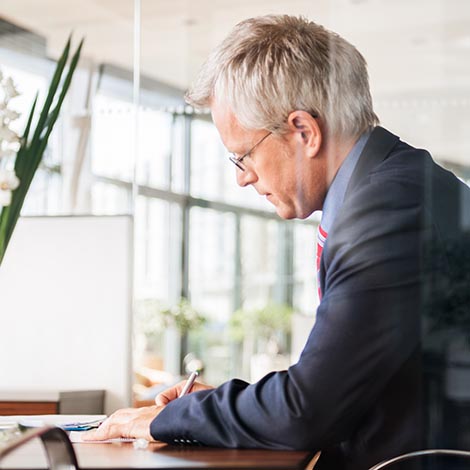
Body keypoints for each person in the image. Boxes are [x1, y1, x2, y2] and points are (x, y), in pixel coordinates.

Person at [84, 15, 470, 470]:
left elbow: (307, 410)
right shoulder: (394, 190)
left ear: (304, 131)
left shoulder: (392, 211)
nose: (242, 177)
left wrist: (174, 416)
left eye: (243, 154)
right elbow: (336, 388)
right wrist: (224, 411)